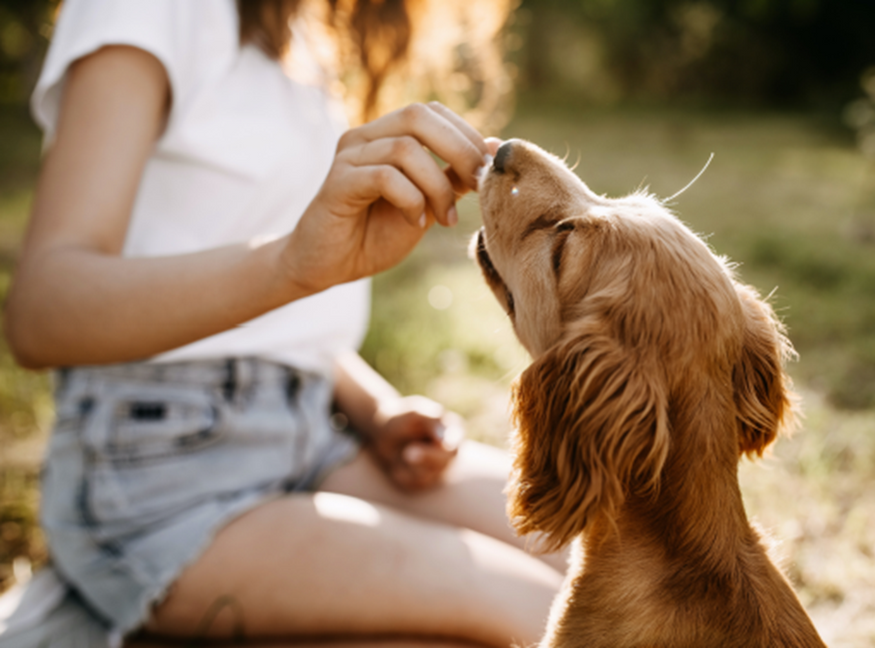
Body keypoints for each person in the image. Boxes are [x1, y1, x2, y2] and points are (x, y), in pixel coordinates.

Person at [0, 1, 564, 646]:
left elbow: (263, 326)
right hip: (157, 477)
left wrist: (373, 409)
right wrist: (293, 262)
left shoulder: (305, 29)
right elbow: (42, 313)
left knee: (617, 553)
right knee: (540, 615)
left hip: (312, 437)